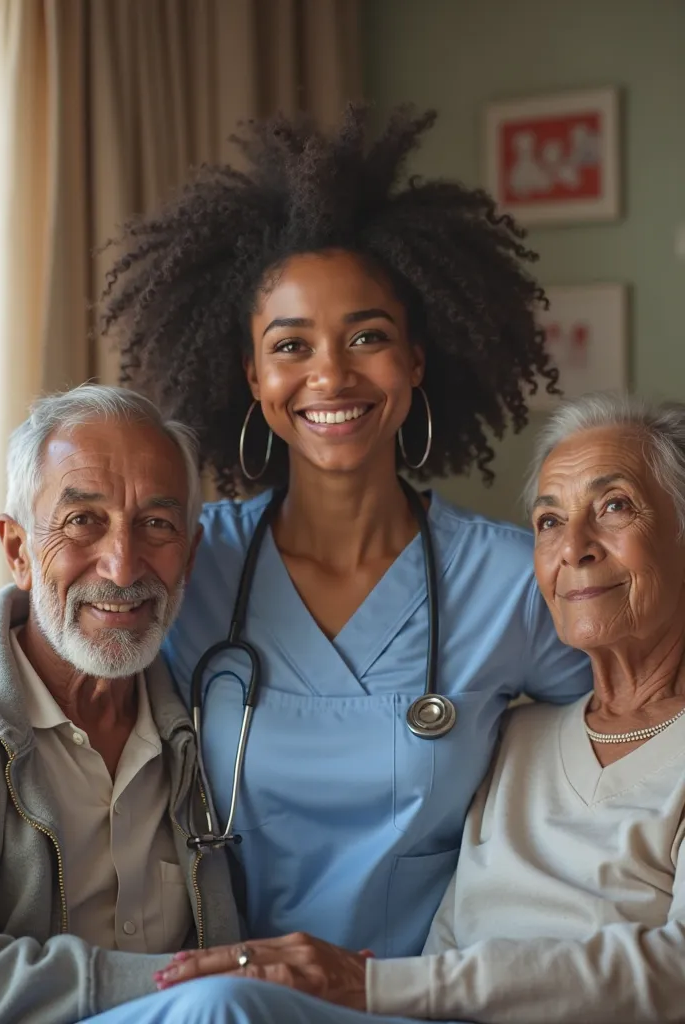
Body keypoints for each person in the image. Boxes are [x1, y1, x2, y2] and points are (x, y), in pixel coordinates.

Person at [93, 105, 592, 1023]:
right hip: (225, 987)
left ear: (415, 356)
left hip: (407, 998)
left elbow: (646, 715)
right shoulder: (191, 567)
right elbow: (52, 652)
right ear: (251, 376)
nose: (330, 377)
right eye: (291, 346)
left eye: (366, 336)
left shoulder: (516, 582)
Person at [115, 392, 685, 1024]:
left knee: (223, 1005)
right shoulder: (519, 738)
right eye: (549, 520)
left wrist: (376, 987)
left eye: (615, 507)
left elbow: (674, 970)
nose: (574, 546)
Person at [0, 385, 239, 1024]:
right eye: (83, 521)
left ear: (188, 554)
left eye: (156, 524)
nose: (123, 562)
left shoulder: (206, 728)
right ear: (18, 550)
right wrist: (184, 990)